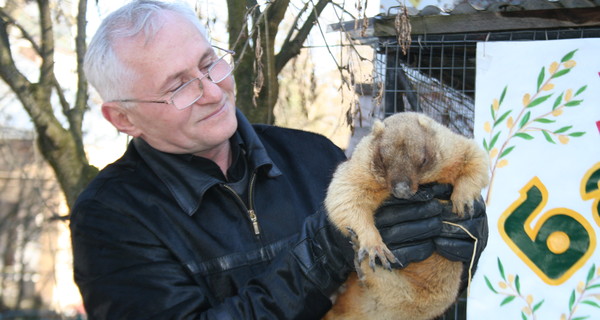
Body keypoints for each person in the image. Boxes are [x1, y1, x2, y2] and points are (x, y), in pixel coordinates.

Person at [69, 0, 488, 319]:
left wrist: (445, 255)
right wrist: (322, 254)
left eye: (209, 64)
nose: (214, 93)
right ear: (123, 118)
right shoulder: (110, 218)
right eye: (179, 87)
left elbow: (389, 295)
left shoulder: (313, 154)